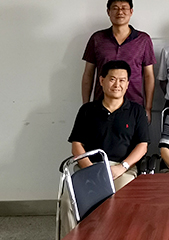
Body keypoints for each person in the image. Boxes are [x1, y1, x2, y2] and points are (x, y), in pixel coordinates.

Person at [63, 60, 149, 236]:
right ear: (101, 81)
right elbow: (76, 145)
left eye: (122, 80)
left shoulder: (136, 111)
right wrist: (92, 170)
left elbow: (142, 145)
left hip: (121, 171)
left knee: (124, 199)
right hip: (89, 168)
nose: (117, 84)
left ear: (128, 84)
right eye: (112, 79)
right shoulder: (87, 110)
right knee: (68, 202)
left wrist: (123, 166)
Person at [81, 0, 155, 122]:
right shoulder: (97, 38)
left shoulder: (143, 39)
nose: (120, 12)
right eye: (115, 8)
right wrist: (86, 106)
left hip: (134, 105)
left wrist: (148, 107)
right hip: (101, 105)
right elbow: (88, 74)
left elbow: (149, 75)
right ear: (108, 12)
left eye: (124, 8)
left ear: (131, 12)